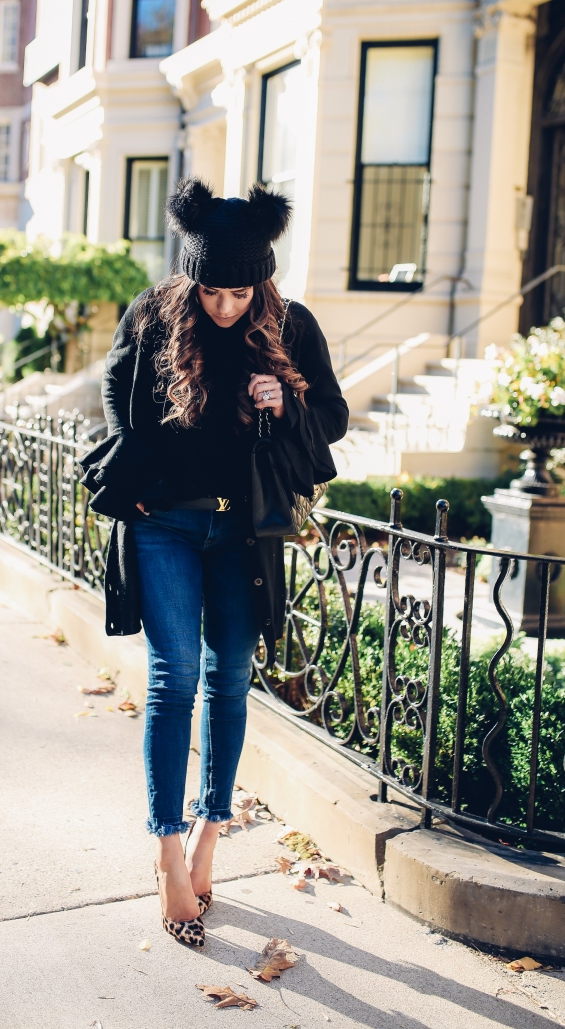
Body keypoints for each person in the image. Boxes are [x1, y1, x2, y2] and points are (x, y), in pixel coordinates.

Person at [79, 177, 348, 948]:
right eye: (212, 291)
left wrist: (282, 402)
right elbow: (114, 383)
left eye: (239, 291)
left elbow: (331, 415)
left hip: (242, 534)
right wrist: (129, 471)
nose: (224, 306)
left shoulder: (292, 326)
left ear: (260, 278)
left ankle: (209, 832)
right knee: (176, 677)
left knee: (230, 677)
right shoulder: (152, 312)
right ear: (190, 274)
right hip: (162, 523)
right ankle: (167, 849)